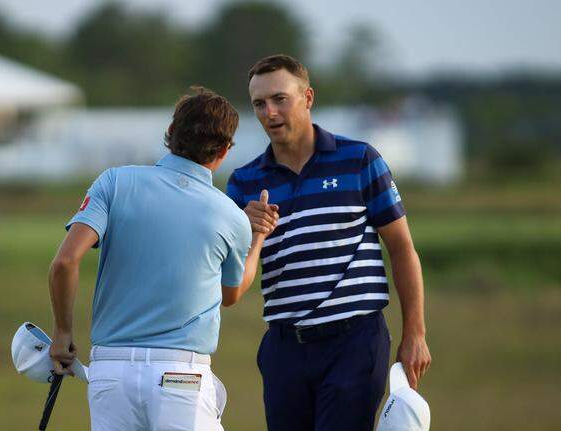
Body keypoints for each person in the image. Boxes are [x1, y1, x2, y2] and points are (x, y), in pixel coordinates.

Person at [225, 54, 432, 431]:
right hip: (283, 347)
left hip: (353, 342)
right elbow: (233, 279)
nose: (269, 112)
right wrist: (249, 232)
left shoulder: (359, 159)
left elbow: (402, 248)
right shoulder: (243, 181)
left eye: (279, 99)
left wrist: (415, 334)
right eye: (259, 103)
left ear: (307, 97)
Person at [47, 87, 267, 431]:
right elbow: (231, 293)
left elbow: (64, 262)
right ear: (224, 151)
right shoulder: (231, 216)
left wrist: (62, 332)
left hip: (110, 372)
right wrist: (257, 239)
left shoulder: (114, 182)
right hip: (182, 375)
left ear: (170, 133)